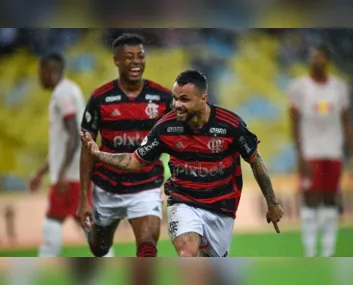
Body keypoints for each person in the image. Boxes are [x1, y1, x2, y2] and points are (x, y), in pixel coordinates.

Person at [79, 69, 284, 257]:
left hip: (222, 207)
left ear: (203, 99)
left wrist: (272, 202)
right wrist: (99, 154)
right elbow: (134, 161)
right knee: (187, 254)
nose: (177, 104)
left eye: (184, 99)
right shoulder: (165, 128)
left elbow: (255, 161)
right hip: (183, 201)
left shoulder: (231, 125)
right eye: (175, 98)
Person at [78, 33, 173, 257]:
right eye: (129, 57)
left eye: (140, 56)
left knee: (148, 244)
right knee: (99, 248)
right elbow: (87, 151)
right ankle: (96, 234)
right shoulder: (100, 99)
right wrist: (84, 199)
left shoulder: (161, 97)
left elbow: (178, 141)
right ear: (116, 61)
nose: (136, 62)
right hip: (107, 187)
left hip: (145, 186)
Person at [288, 45, 353, 257]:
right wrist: (299, 154)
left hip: (333, 151)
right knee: (310, 199)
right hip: (311, 152)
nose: (317, 61)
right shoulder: (300, 87)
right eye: (313, 58)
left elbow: (346, 122)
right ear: (309, 62)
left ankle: (327, 251)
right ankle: (310, 250)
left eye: (320, 57)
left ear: (327, 60)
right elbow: (294, 122)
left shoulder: (339, 87)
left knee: (330, 199)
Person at [29, 52, 92, 257]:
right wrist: (41, 172)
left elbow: (74, 136)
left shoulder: (62, 94)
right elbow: (64, 143)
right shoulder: (71, 90)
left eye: (41, 72)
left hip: (71, 175)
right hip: (76, 172)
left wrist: (63, 171)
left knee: (53, 224)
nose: (40, 77)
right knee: (86, 225)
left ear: (49, 71)